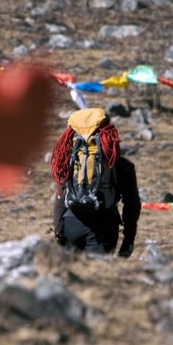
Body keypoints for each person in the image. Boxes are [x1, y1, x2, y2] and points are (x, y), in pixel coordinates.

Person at [50, 108, 139, 257]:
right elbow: (132, 204)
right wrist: (128, 239)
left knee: (69, 277)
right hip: (103, 227)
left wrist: (59, 233)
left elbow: (60, 197)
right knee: (97, 278)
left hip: (70, 224)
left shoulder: (67, 160)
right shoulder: (121, 165)